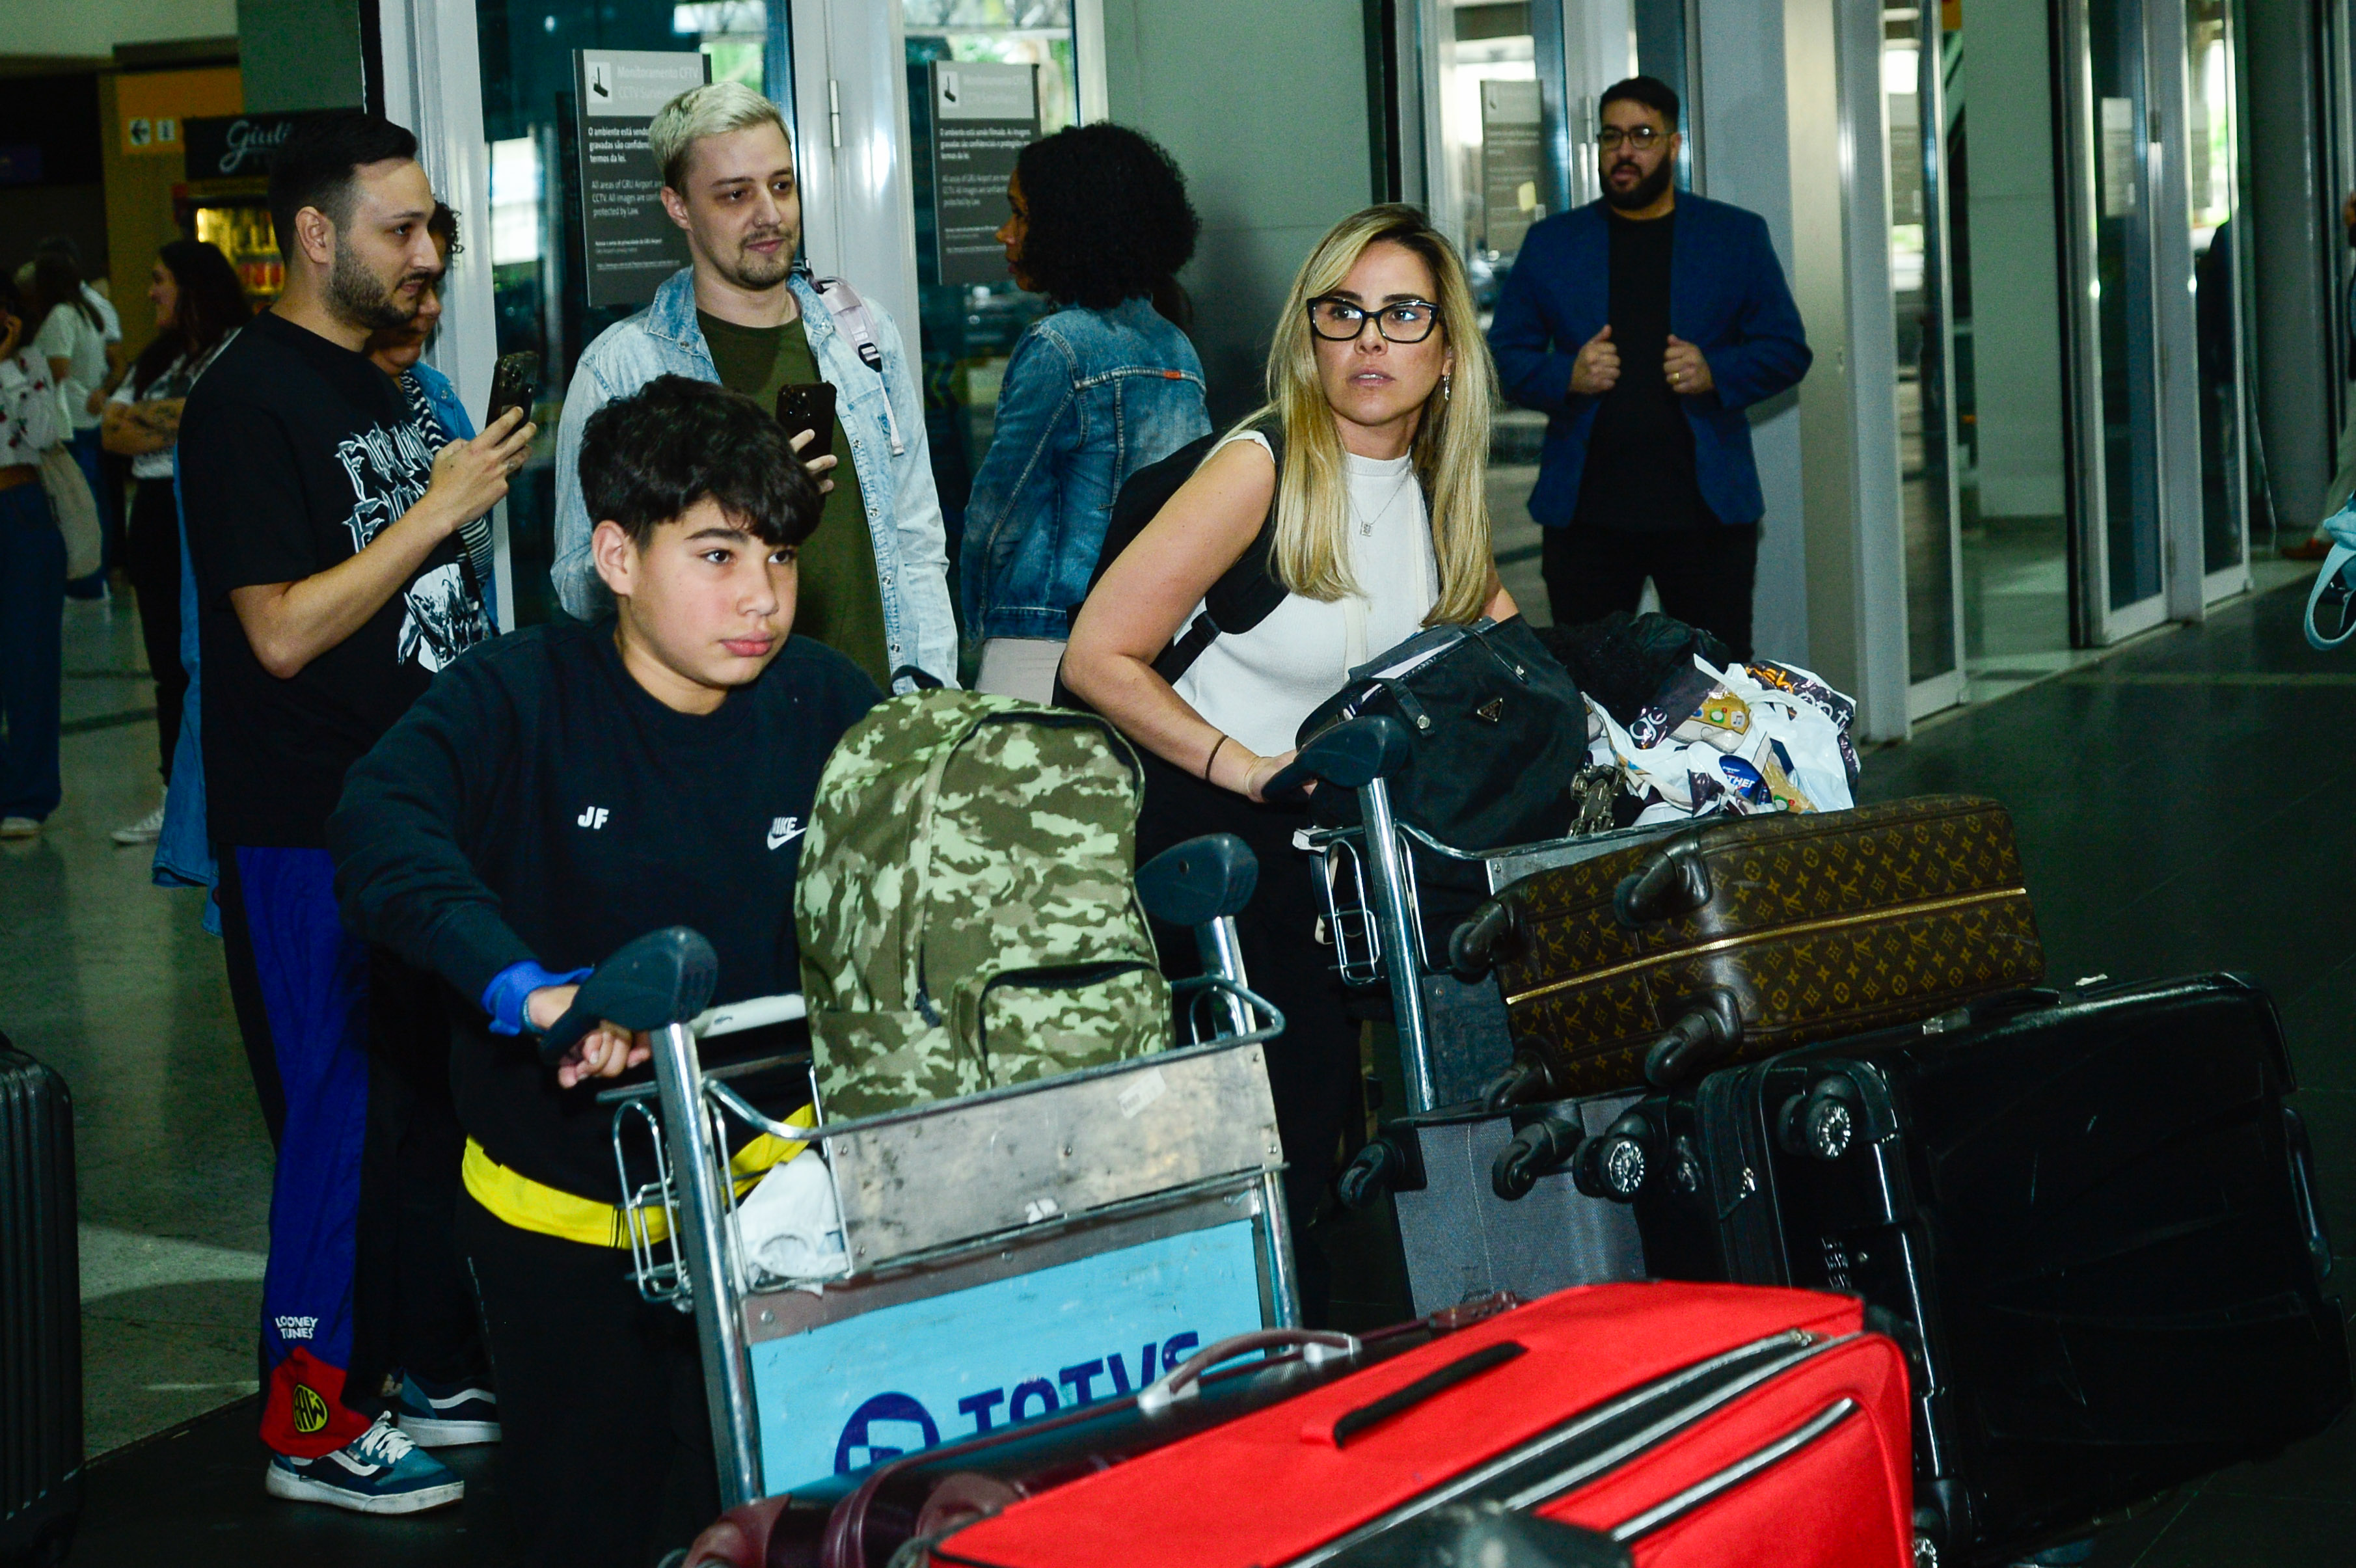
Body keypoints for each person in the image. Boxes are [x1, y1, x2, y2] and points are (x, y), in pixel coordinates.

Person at [330, 375, 878, 1567]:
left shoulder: (829, 701)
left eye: (780, 558)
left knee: (786, 1528)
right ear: (619, 558)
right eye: (720, 555)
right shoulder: (517, 697)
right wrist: (531, 989)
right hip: (561, 1231)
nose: (763, 599)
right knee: (594, 1522)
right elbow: (379, 828)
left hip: (773, 1221)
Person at [1062, 204, 1516, 1324]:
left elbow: (1512, 666)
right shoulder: (1260, 468)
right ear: (1309, 337)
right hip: (1204, 826)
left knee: (1334, 1122)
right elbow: (1096, 656)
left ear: (1446, 350)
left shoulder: (1440, 491)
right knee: (1282, 1125)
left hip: (1325, 839)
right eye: (1342, 313)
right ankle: (1259, 1373)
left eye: (1403, 315)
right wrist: (1245, 764)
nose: (1370, 341)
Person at [178, 109, 528, 1514]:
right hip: (305, 822)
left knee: (411, 1111)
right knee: (331, 1119)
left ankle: (418, 1363)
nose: (427, 248)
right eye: (402, 226)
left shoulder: (387, 390)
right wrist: (435, 513)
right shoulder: (247, 399)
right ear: (313, 236)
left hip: (413, 812)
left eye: (434, 222)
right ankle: (306, 1420)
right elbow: (278, 631)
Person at [552, 80, 955, 693]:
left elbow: (916, 538)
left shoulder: (861, 336)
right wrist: (721, 507)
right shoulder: (622, 369)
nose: (769, 214)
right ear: (678, 207)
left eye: (782, 186)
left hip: (877, 710)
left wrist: (932, 692)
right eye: (735, 194)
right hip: (728, 725)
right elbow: (578, 584)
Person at [1489, 75, 1811, 660]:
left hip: (1706, 518)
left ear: (1672, 144)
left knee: (1716, 689)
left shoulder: (1733, 236)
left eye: (1641, 135)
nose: (1624, 151)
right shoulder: (1553, 243)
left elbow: (1787, 349)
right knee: (1589, 688)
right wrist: (1567, 375)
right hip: (1586, 518)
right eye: (1611, 136)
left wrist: (1716, 369)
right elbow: (1504, 357)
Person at [960, 122, 1209, 702]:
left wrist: (970, 623)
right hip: (1144, 647)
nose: (1004, 233)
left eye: (1019, 214)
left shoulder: (1058, 347)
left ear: (1069, 228)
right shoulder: (1178, 350)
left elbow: (998, 514)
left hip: (1041, 645)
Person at [100, 239, 250, 846]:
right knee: (167, 661)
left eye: (160, 280)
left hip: (209, 509)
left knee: (214, 655)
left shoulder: (240, 345)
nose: (150, 292)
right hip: (155, 517)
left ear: (193, 286)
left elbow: (215, 418)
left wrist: (155, 419)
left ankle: (227, 792)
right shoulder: (155, 357)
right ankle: (176, 797)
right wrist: (177, 415)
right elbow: (112, 433)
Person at [368, 203, 498, 610]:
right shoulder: (323, 408)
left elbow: (476, 568)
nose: (433, 307)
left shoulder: (436, 398)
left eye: (434, 286)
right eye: (413, 287)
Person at [0, 273, 67, 841]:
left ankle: (27, 794)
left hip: (19, 510)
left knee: (29, 660)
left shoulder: (30, 366)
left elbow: (44, 434)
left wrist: (7, 368)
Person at [29, 250, 115, 599]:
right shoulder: (86, 312)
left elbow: (59, 368)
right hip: (88, 415)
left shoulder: (61, 316)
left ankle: (87, 578)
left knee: (79, 503)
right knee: (95, 499)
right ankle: (99, 572)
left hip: (73, 419)